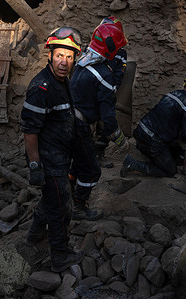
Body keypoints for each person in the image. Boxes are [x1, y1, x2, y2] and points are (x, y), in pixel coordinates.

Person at [20, 26, 84, 272]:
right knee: (60, 207)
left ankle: (34, 235)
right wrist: (35, 165)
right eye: (59, 56)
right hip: (48, 159)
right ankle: (59, 256)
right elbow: (29, 129)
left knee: (51, 199)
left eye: (69, 57)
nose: (63, 62)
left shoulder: (62, 82)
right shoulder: (41, 87)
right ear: (50, 55)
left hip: (59, 154)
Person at [69, 22, 129, 220]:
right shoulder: (103, 75)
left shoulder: (81, 61)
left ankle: (66, 195)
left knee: (76, 164)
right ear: (111, 48)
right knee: (91, 170)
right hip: (80, 126)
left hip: (67, 120)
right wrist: (119, 139)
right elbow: (108, 116)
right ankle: (77, 207)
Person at [120, 73, 186, 178]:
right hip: (152, 142)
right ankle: (132, 164)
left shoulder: (173, 94)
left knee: (172, 145)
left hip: (141, 133)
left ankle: (164, 159)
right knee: (170, 171)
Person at [93, 17, 128, 169]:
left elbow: (119, 74)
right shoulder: (95, 48)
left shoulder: (120, 53)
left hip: (106, 93)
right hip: (91, 93)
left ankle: (98, 156)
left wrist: (110, 89)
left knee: (104, 125)